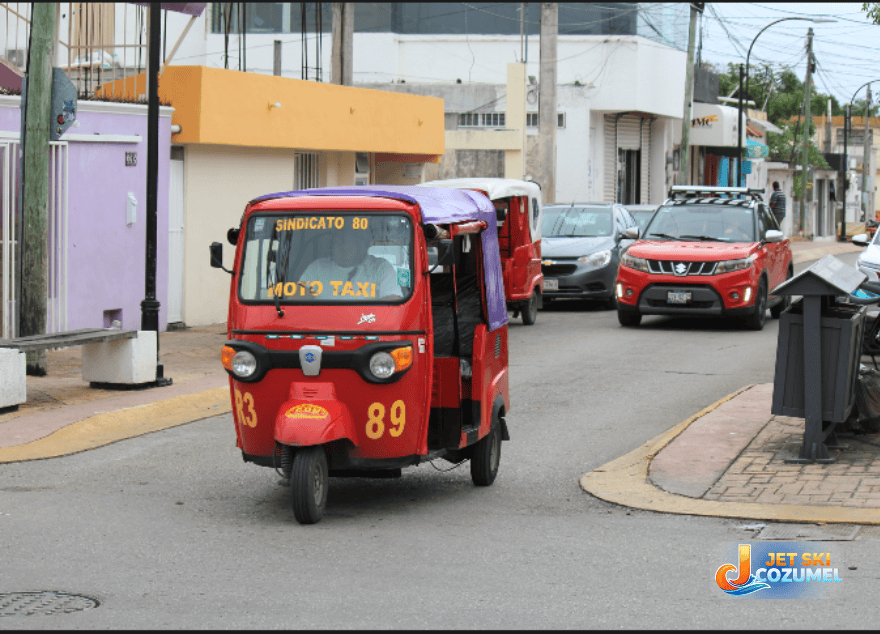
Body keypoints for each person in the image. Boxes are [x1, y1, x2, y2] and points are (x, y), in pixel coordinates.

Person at [298, 228, 403, 301]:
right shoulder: (317, 267)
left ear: (361, 244)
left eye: (345, 241)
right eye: (336, 241)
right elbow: (297, 298)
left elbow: (392, 303)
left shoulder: (381, 267)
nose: (339, 246)